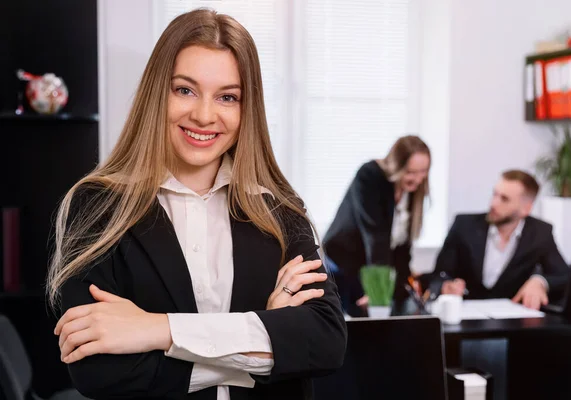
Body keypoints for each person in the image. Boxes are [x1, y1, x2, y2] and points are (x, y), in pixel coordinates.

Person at [46, 9, 346, 400]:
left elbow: (325, 341)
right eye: (184, 90)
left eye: (227, 97)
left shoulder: (280, 211)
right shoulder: (95, 208)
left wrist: (158, 330)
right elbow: (99, 370)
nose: (204, 115)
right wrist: (268, 338)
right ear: (158, 93)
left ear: (246, 107)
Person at [426, 170, 570, 310]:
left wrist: (540, 282)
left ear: (525, 209)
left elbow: (565, 275)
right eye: (495, 194)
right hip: (466, 320)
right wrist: (446, 285)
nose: (493, 203)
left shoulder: (540, 233)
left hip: (513, 323)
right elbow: (439, 274)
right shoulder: (464, 226)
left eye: (504, 199)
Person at [322, 135, 431, 317]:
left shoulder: (411, 190)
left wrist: (406, 285)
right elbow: (376, 238)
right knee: (348, 327)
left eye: (423, 172)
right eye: (411, 172)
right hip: (345, 263)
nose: (417, 179)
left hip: (373, 267)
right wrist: (377, 290)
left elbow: (401, 248)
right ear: (398, 165)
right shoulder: (370, 176)